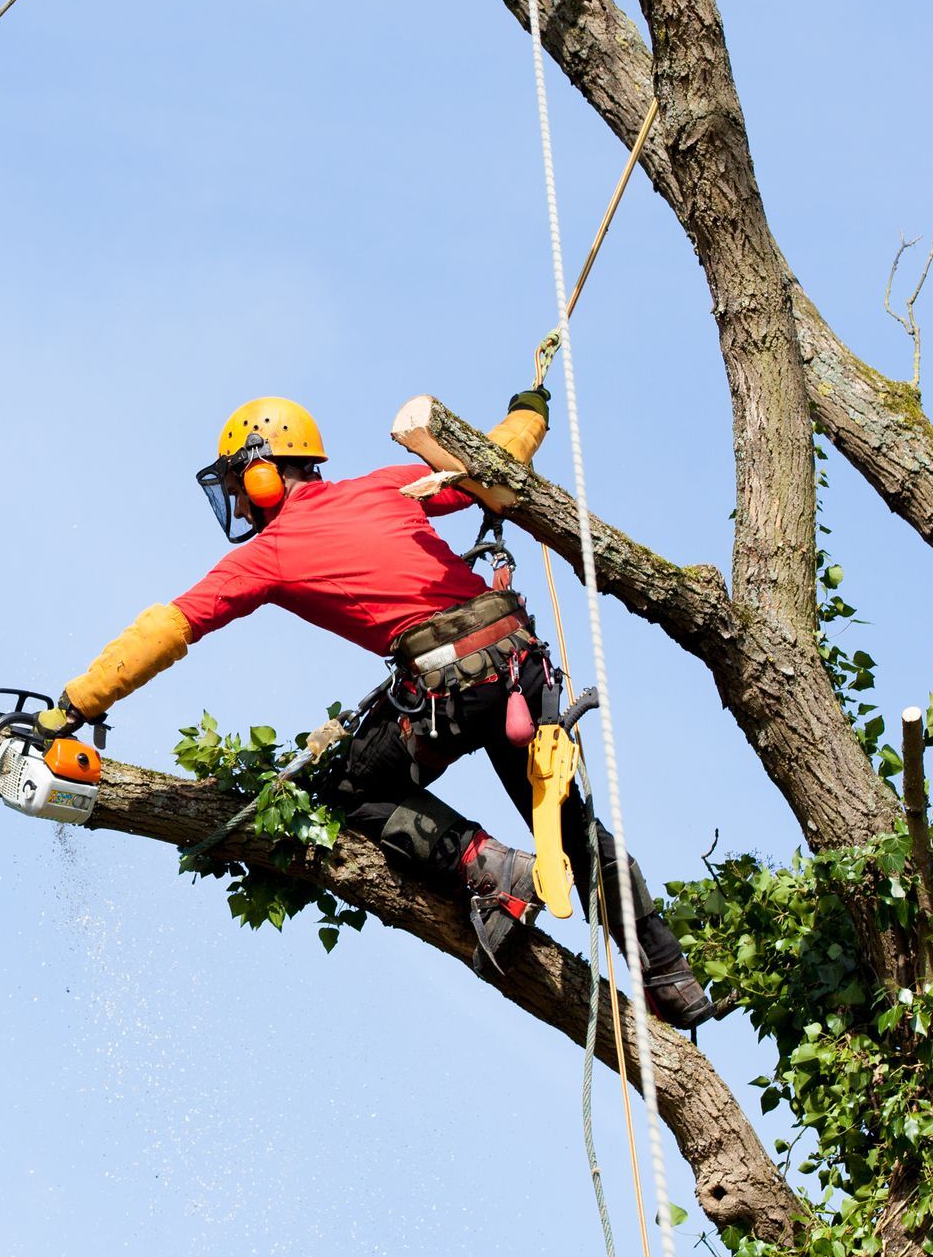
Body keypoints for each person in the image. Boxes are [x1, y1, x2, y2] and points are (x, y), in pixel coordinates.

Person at [37, 394, 727, 1028]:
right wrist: (529, 411)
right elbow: (497, 455)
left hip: (449, 687)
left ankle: (490, 866)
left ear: (261, 476)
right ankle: (671, 977)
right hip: (517, 669)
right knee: (570, 827)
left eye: (241, 493)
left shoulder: (271, 555)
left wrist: (73, 704)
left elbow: (168, 628)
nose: (243, 513)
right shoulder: (385, 485)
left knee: (345, 792)